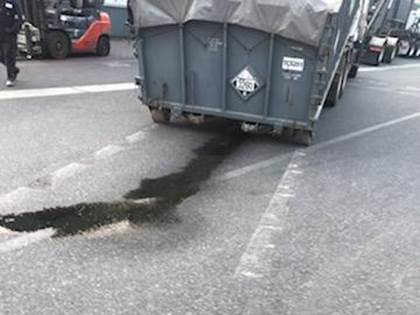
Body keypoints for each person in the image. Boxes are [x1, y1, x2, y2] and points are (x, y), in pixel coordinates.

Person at [0, 0, 22, 87]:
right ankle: (14, 69)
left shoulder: (12, 3)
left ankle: (10, 77)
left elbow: (19, 18)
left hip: (9, 34)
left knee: (9, 55)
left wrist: (13, 30)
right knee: (1, 56)